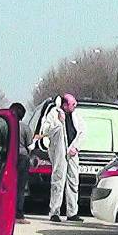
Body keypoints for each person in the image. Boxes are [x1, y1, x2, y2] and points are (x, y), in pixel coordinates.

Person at [40, 94, 85, 222]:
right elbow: (46, 130)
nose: (75, 106)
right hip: (59, 152)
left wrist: (76, 147)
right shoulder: (54, 114)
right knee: (58, 180)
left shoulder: (77, 116)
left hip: (73, 152)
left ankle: (72, 212)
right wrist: (59, 122)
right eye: (72, 104)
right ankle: (54, 212)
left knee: (73, 181)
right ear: (65, 105)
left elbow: (82, 132)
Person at [10, 103, 33, 224]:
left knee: (8, 185)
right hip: (22, 158)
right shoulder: (25, 128)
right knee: (20, 187)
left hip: (9, 157)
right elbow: (30, 146)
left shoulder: (6, 126)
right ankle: (18, 214)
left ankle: (6, 211)